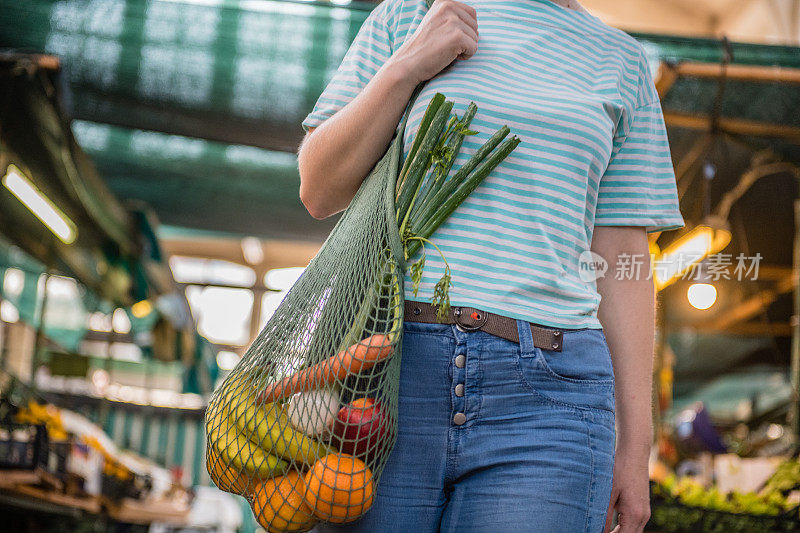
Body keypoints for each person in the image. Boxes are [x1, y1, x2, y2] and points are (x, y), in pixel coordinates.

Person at [297, 0, 684, 531]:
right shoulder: (409, 16)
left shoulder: (621, 61)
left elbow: (622, 263)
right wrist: (407, 66)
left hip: (551, 395)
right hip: (388, 378)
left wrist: (635, 449)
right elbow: (319, 188)